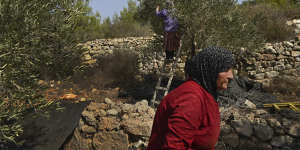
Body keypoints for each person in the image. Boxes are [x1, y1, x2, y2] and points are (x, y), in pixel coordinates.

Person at [147, 46, 235, 150]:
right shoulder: (191, 98)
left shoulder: (205, 93)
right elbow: (174, 146)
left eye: (231, 69)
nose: (231, 76)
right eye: (225, 69)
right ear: (211, 68)